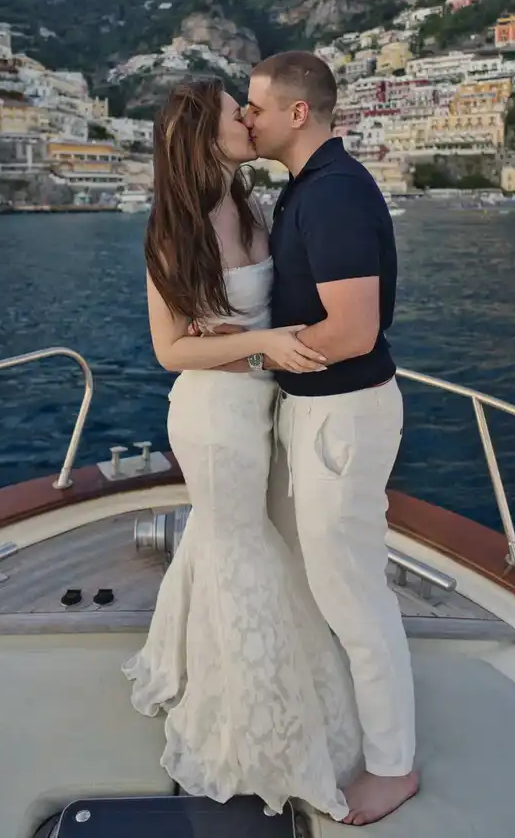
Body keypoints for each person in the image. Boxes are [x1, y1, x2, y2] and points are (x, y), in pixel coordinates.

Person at [122, 78, 363, 821]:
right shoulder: (174, 226)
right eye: (238, 112)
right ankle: (257, 729)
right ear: (206, 134)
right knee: (241, 551)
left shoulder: (251, 203)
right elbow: (170, 350)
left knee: (230, 544)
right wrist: (264, 345)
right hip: (212, 418)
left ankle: (197, 663)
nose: (249, 119)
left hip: (259, 406)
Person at [243, 51, 418, 827]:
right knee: (333, 585)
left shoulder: (335, 194)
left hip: (341, 418)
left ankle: (394, 767)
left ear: (297, 114)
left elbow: (353, 331)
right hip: (317, 413)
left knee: (354, 595)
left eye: (255, 107)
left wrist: (255, 350)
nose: (248, 119)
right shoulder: (307, 191)